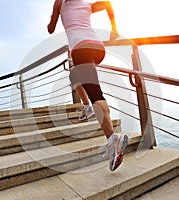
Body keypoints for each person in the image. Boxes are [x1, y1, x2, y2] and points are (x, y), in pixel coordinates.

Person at [48, 0, 128, 171]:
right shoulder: (87, 3)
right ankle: (87, 107)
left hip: (80, 48)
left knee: (95, 94)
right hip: (97, 48)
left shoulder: (59, 2)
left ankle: (113, 138)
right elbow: (106, 3)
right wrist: (114, 28)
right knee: (74, 76)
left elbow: (50, 29)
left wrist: (54, 15)